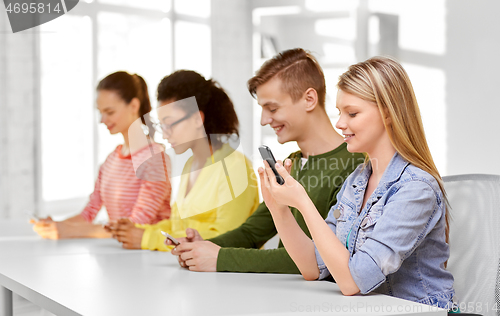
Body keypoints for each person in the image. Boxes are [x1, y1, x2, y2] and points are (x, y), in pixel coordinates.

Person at [258, 56, 455, 309]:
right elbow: (312, 267)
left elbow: (353, 281)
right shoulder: (356, 182)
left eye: (352, 113)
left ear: (388, 112)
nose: (340, 124)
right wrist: (279, 208)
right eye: (340, 113)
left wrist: (303, 202)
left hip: (418, 312)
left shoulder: (416, 188)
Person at [169, 48, 365, 273]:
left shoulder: (355, 166)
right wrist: (203, 247)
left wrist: (221, 257)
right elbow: (252, 232)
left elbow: (317, 260)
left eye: (272, 108)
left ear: (309, 99)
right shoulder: (292, 163)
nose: (264, 120)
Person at [107, 70, 259, 250]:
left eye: (169, 124)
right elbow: (177, 226)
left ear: (196, 118)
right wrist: (136, 230)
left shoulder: (234, 167)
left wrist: (148, 238)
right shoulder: (190, 166)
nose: (164, 134)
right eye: (161, 125)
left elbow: (227, 238)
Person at [33, 71, 172, 239]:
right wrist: (57, 226)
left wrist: (69, 231)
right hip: (116, 254)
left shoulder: (154, 159)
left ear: (134, 106)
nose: (102, 119)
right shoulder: (112, 159)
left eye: (110, 112)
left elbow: (135, 226)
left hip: (146, 256)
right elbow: (88, 214)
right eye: (100, 112)